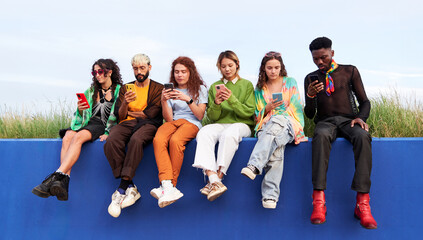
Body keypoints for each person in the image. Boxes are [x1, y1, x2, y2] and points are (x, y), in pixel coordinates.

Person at [304, 37, 377, 229]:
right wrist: (310, 96)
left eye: (323, 57)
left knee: (362, 136)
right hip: (325, 122)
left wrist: (361, 118)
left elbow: (365, 102)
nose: (320, 62)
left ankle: (363, 203)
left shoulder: (349, 71)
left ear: (332, 53)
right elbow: (310, 114)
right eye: (315, 59)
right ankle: (318, 202)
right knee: (320, 136)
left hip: (349, 120)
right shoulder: (310, 78)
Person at [32, 59, 123, 201]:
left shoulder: (119, 91)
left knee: (78, 137)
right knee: (68, 135)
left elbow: (117, 114)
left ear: (109, 72)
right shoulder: (91, 91)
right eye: (95, 72)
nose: (97, 75)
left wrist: (108, 132)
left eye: (100, 71)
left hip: (101, 125)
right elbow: (81, 117)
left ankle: (57, 175)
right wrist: (80, 110)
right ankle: (63, 181)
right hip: (87, 123)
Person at [241, 51, 307, 209]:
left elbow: (297, 107)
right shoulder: (259, 88)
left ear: (281, 67)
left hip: (290, 122)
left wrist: (283, 112)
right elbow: (257, 116)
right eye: (269, 67)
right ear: (264, 68)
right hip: (268, 124)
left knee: (278, 121)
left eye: (276, 67)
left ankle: (255, 165)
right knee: (276, 146)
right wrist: (267, 108)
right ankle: (269, 197)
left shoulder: (290, 82)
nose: (273, 71)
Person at [103, 53, 163, 218]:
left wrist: (133, 112)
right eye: (136, 68)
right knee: (112, 140)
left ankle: (122, 187)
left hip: (149, 125)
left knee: (137, 139)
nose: (139, 71)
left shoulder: (158, 88)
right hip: (127, 123)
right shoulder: (125, 88)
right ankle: (130, 187)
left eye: (142, 68)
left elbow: (150, 114)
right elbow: (121, 116)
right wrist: (124, 104)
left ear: (149, 68)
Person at [192, 50, 255, 201]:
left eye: (230, 65)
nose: (227, 69)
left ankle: (217, 178)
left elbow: (248, 113)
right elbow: (213, 117)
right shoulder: (215, 87)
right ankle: (213, 178)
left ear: (237, 65)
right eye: (223, 66)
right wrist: (216, 104)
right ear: (219, 67)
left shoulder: (246, 85)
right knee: (204, 133)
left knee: (230, 134)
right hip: (220, 123)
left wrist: (232, 100)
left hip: (242, 125)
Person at [151, 56, 208, 208]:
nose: (180, 75)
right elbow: (169, 119)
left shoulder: (200, 89)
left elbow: (200, 115)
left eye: (183, 71)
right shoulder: (170, 90)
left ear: (190, 73)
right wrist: (164, 101)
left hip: (192, 123)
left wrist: (187, 99)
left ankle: (170, 185)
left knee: (176, 141)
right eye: (177, 72)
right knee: (159, 138)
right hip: (175, 122)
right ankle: (167, 185)